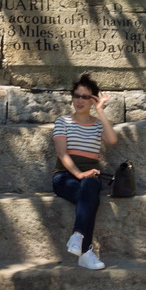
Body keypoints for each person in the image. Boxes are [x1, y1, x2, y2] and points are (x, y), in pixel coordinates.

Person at [52, 73, 118, 270]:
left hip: (90, 177)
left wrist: (101, 111)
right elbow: (62, 154)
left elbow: (112, 140)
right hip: (64, 176)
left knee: (90, 186)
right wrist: (79, 174)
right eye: (77, 96)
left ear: (93, 100)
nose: (80, 100)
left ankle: (78, 237)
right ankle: (85, 250)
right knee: (90, 197)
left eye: (85, 97)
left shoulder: (98, 125)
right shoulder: (63, 121)